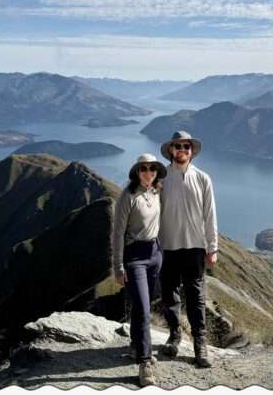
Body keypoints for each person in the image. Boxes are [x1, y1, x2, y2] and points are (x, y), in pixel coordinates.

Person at [158, 130, 218, 368]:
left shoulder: (203, 178)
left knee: (196, 296)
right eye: (177, 146)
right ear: (171, 150)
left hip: (195, 246)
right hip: (167, 245)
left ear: (191, 151)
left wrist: (212, 247)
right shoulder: (161, 178)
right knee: (169, 293)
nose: (182, 149)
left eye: (186, 146)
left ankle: (199, 344)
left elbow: (210, 214)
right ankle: (174, 334)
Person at [111, 153, 167, 387]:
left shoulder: (155, 191)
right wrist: (118, 266)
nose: (148, 172)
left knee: (141, 304)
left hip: (154, 253)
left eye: (152, 168)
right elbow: (117, 232)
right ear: (136, 172)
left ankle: (135, 345)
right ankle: (145, 363)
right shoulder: (128, 196)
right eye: (144, 168)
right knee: (144, 309)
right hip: (135, 257)